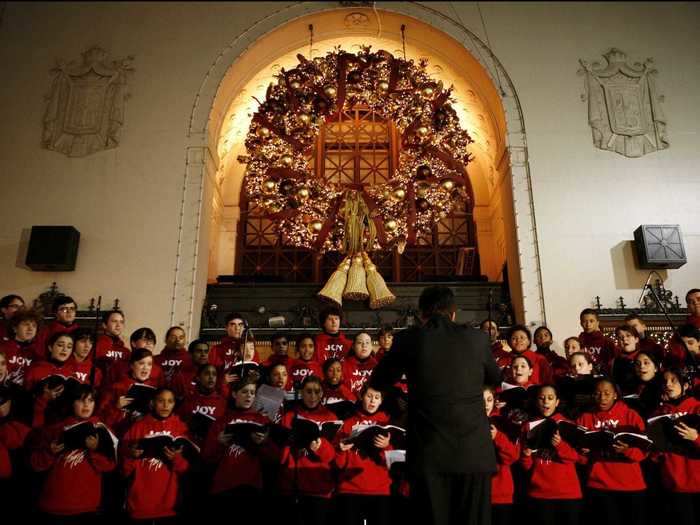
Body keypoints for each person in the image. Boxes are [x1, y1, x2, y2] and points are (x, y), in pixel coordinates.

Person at [370, 285, 501, 525]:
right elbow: (495, 379)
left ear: (422, 314)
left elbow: (378, 382)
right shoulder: (477, 339)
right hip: (473, 452)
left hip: (430, 452)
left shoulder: (408, 340)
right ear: (453, 313)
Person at [29, 384, 116, 523]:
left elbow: (109, 466)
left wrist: (95, 450)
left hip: (86, 506)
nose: (86, 405)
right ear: (72, 402)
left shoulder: (102, 429)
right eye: (81, 400)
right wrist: (50, 452)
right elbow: (35, 464)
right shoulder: (55, 429)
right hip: (54, 503)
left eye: (91, 400)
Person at [576, 378, 648, 525]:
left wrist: (627, 451)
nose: (602, 398)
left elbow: (645, 450)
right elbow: (577, 456)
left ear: (615, 395)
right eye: (597, 394)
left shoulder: (630, 415)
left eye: (607, 393)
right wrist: (583, 453)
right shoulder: (585, 417)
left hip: (630, 484)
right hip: (599, 484)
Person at [120, 388, 190, 522]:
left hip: (169, 504)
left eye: (170, 401)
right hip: (140, 504)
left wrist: (176, 459)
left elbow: (186, 469)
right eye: (161, 401)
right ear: (152, 403)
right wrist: (132, 455)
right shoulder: (138, 427)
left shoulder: (180, 427)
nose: (165, 405)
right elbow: (124, 471)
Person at [520, 385, 582, 525]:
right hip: (539, 493)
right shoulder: (528, 426)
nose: (545, 402)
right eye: (541, 398)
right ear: (536, 401)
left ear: (557, 402)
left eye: (550, 398)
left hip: (567, 494)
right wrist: (526, 454)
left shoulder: (567, 424)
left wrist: (560, 445)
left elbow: (575, 458)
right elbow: (526, 466)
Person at [334, 385, 394, 525]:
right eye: (369, 396)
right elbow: (339, 464)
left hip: (379, 490)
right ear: (361, 397)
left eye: (377, 397)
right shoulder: (347, 424)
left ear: (381, 401)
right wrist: (341, 450)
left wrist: (386, 447)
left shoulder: (387, 425)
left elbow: (394, 464)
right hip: (350, 489)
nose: (372, 401)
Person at [647, 368, 699, 525]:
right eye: (665, 381)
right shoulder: (658, 413)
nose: (668, 384)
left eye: (674, 380)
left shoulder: (697, 408)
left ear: (687, 384)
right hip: (673, 482)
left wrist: (696, 438)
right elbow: (655, 455)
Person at [484, 386, 519, 525]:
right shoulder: (466, 423)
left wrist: (497, 436)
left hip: (500, 492)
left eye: (489, 400)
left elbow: (512, 456)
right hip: (476, 492)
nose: (485, 404)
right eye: (481, 400)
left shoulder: (504, 423)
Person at [35, 296, 80, 360]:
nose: (69, 312)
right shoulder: (46, 332)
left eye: (72, 309)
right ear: (55, 313)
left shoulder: (80, 332)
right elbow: (39, 354)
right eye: (64, 309)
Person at [578, 309, 615, 374]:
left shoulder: (606, 341)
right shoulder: (579, 341)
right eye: (584, 321)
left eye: (591, 321)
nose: (588, 324)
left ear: (597, 323)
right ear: (581, 323)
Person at [342, 332, 378, 396]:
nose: (364, 345)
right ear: (353, 346)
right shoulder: (343, 365)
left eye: (367, 342)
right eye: (360, 342)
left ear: (371, 346)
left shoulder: (377, 365)